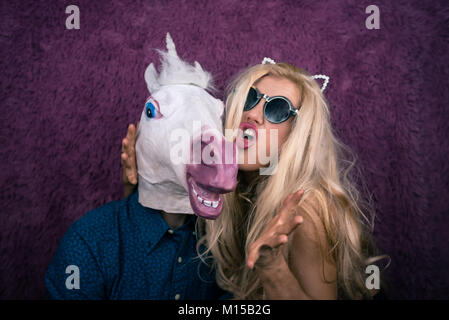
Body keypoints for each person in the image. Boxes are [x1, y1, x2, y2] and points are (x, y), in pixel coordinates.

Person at [122, 59, 388, 299]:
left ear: (296, 139)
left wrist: (272, 267)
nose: (253, 115)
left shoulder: (307, 209)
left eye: (277, 110)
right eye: (251, 98)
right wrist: (140, 182)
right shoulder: (229, 189)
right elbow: (152, 244)